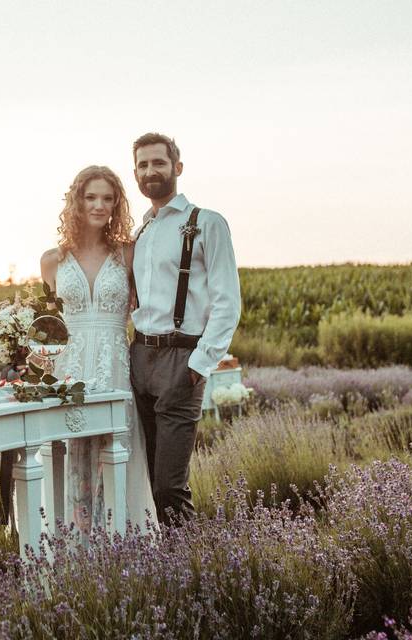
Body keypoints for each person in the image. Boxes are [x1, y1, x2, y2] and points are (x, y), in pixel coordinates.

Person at [129, 133, 241, 526]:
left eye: (158, 163)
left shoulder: (207, 222)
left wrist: (200, 364)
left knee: (169, 487)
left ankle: (190, 571)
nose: (150, 171)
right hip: (139, 359)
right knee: (142, 482)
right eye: (142, 165)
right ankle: (157, 566)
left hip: (181, 359)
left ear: (177, 167)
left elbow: (228, 300)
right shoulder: (140, 234)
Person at [40, 165, 157, 536]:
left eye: (108, 198)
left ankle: (122, 548)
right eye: (91, 197)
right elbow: (48, 326)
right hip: (68, 371)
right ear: (76, 201)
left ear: (117, 204)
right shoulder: (51, 261)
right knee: (68, 454)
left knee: (116, 454)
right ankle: (69, 549)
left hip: (114, 368)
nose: (99, 205)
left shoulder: (128, 254)